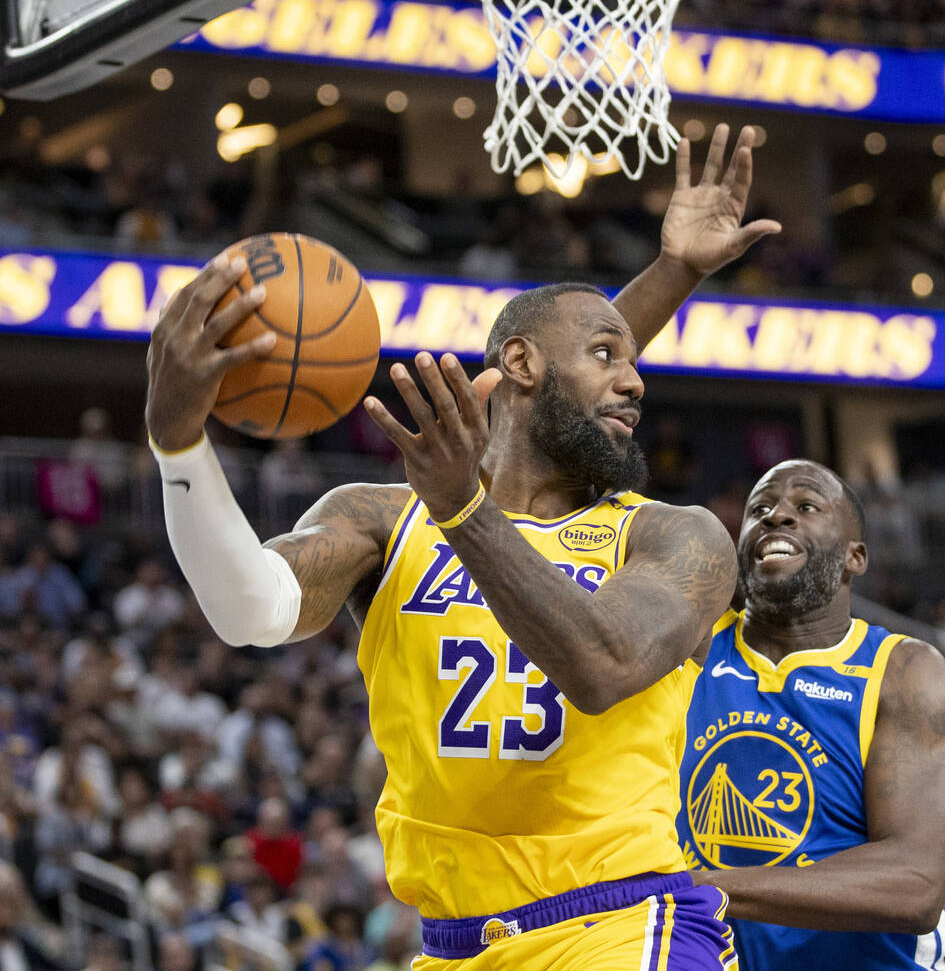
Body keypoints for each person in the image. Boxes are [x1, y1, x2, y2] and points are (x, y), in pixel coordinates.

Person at [144, 125, 779, 970]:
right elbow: (248, 610)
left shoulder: (675, 534)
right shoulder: (384, 518)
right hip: (452, 946)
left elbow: (602, 666)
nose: (635, 380)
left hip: (628, 924)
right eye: (606, 355)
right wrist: (179, 444)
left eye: (631, 360)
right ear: (516, 362)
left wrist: (465, 507)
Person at [674, 459, 945, 969]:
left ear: (855, 557)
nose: (777, 517)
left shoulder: (904, 671)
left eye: (805, 506)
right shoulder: (690, 646)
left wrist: (700, 887)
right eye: (759, 509)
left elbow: (916, 883)